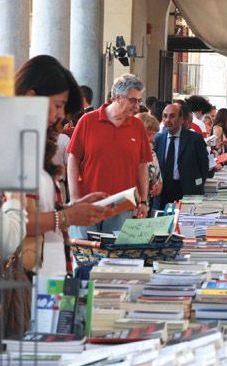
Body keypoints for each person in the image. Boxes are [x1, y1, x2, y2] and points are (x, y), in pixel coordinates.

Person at [14, 55, 110, 276]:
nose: (59, 115)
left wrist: (71, 210)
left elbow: (41, 213)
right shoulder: (11, 147)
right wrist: (68, 217)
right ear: (31, 97)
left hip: (51, 270)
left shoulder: (35, 144)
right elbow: (11, 224)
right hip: (30, 276)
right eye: (58, 105)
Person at [67, 73, 152, 238]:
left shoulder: (137, 126)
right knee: (85, 257)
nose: (137, 107)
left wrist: (143, 201)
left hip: (122, 207)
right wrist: (75, 199)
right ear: (118, 98)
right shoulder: (87, 121)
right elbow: (73, 159)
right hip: (88, 204)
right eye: (133, 100)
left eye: (139, 101)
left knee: (116, 261)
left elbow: (142, 166)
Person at [153, 104, 209, 210]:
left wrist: (197, 186)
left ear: (181, 119)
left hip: (187, 190)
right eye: (165, 116)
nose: (168, 120)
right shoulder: (158, 139)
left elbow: (204, 167)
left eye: (172, 116)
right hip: (163, 192)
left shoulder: (195, 139)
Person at [135, 112, 163, 214]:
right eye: (150, 134)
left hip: (145, 206)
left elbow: (158, 180)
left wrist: (157, 187)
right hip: (128, 206)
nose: (152, 139)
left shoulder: (152, 154)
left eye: (154, 134)